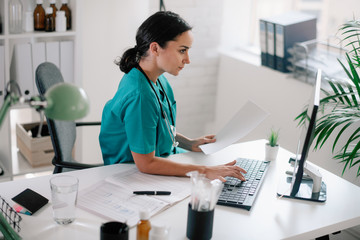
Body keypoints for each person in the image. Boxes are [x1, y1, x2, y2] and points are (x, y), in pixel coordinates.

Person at [99, 11, 246, 182]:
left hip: (162, 158)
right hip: (132, 174)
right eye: (182, 50)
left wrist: (189, 143)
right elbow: (146, 164)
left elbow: (158, 126)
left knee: (219, 166)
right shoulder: (140, 95)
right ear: (155, 48)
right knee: (209, 183)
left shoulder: (155, 79)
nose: (187, 59)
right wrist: (205, 171)